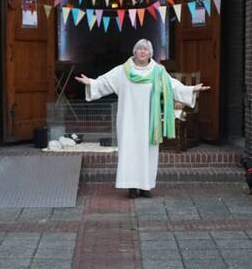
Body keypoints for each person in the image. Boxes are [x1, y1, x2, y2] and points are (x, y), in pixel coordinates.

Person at [75, 39, 209, 198]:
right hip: (128, 119)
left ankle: (145, 186)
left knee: (148, 152)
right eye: (140, 49)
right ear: (135, 52)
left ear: (150, 53)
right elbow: (104, 82)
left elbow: (173, 86)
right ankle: (131, 186)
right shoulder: (122, 71)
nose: (143, 52)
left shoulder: (158, 71)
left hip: (149, 121)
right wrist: (90, 83)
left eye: (146, 49)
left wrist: (191, 89)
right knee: (130, 152)